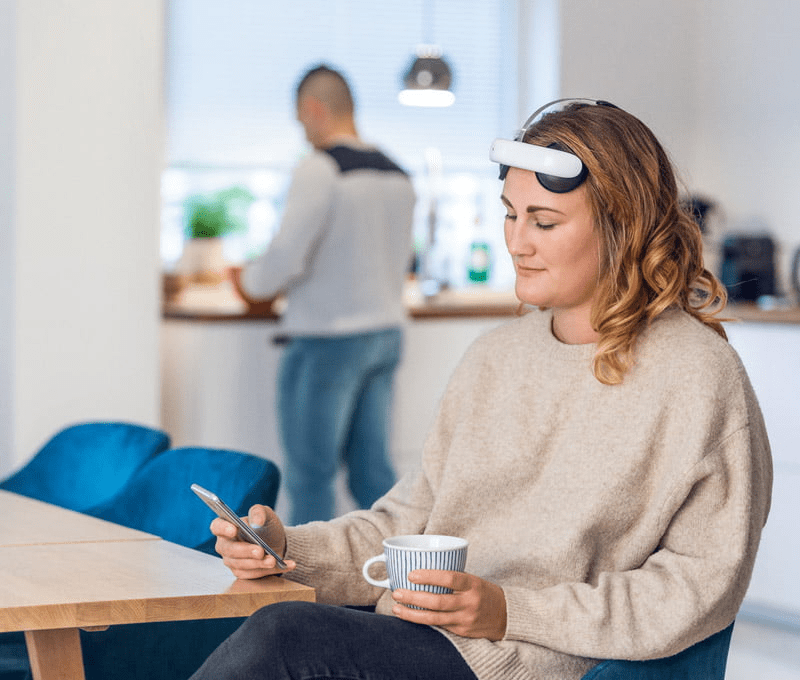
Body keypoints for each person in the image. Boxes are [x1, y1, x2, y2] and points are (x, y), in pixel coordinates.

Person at [193, 99, 772, 680]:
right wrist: (286, 549)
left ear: (625, 226)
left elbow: (699, 587)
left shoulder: (697, 374)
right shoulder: (495, 356)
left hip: (527, 659)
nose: (517, 242)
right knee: (242, 610)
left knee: (288, 638)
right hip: (420, 634)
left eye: (544, 222)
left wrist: (506, 610)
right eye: (509, 215)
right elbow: (408, 523)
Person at [232, 65, 416, 525]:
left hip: (326, 342)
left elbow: (284, 259)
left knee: (310, 478)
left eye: (300, 120)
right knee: (372, 475)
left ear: (314, 110)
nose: (302, 132)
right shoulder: (398, 174)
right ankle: (410, 575)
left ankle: (308, 588)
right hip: (385, 335)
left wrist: (248, 282)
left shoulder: (321, 169)